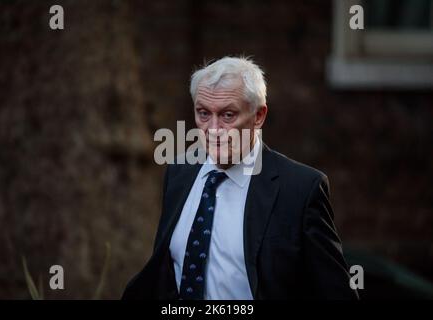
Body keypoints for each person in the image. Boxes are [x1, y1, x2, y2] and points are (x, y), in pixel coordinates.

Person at [122, 56, 359, 300]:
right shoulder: (179, 172)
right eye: (203, 113)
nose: (213, 129)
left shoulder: (300, 189)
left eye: (228, 115)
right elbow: (165, 270)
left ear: (259, 116)